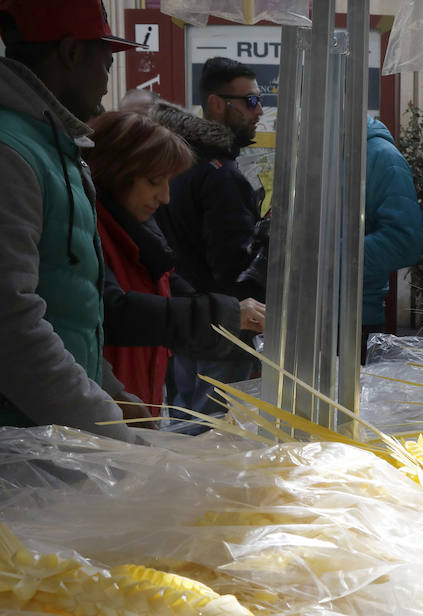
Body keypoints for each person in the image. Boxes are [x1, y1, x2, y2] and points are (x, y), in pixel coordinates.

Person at [0, 0, 149, 441]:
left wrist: (109, 389)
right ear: (70, 52)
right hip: (21, 453)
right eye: (105, 64)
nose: (106, 86)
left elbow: (69, 302)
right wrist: (105, 424)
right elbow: (11, 324)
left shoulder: (55, 146)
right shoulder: (11, 153)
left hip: (56, 436)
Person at [83, 111, 266, 409]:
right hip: (107, 408)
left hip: (139, 398)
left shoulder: (138, 230)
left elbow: (168, 286)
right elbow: (116, 311)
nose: (165, 197)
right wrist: (225, 311)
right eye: (155, 181)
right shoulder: (92, 230)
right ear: (114, 173)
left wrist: (227, 312)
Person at [151, 57, 265, 413]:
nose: (259, 110)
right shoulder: (219, 176)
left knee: (185, 424)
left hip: (185, 323)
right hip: (222, 331)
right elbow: (233, 266)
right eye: (249, 101)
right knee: (215, 436)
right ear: (217, 104)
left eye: (260, 100)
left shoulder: (178, 161)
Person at [362, 115, 423, 362]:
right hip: (299, 315)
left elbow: (404, 241)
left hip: (355, 318)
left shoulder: (383, 157)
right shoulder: (314, 149)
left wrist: (327, 259)